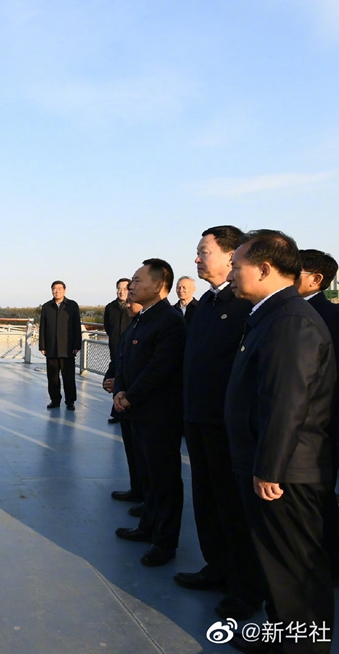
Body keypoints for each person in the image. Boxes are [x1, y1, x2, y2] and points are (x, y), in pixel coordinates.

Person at [225, 230, 335, 653]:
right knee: (277, 569)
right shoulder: (271, 315)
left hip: (287, 473)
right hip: (273, 465)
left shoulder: (290, 321)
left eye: (237, 267)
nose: (231, 275)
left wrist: (269, 467)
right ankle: (281, 639)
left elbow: (288, 401)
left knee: (296, 571)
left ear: (265, 269)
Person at [174, 226, 265, 623]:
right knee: (207, 500)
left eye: (204, 251)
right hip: (197, 419)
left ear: (231, 256)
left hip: (226, 426)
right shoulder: (207, 304)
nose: (197, 259)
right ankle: (216, 567)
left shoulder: (245, 305)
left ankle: (245, 588)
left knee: (233, 507)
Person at [113, 259, 187, 567]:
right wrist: (119, 389)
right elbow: (124, 357)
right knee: (149, 477)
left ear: (158, 286)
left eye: (137, 280)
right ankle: (147, 527)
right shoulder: (142, 318)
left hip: (158, 415)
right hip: (137, 412)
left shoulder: (170, 321)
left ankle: (164, 542)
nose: (131, 286)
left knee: (164, 480)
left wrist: (130, 397)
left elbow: (160, 369)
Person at [295, 249, 339, 584]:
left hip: (322, 426)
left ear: (316, 279)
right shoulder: (288, 314)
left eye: (295, 271)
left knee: (321, 500)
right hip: (299, 426)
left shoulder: (328, 317)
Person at [105, 299, 149, 507]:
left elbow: (154, 368)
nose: (128, 305)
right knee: (132, 450)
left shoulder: (162, 323)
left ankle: (149, 501)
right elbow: (120, 358)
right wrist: (111, 377)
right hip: (125, 399)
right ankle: (137, 489)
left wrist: (127, 392)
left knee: (146, 455)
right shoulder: (133, 326)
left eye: (132, 301)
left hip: (142, 403)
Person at [38, 281, 82, 410]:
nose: (56, 291)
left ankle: (70, 401)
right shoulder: (47, 307)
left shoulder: (72, 305)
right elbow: (43, 327)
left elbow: (77, 326)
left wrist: (76, 345)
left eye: (59, 289)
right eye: (54, 289)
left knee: (68, 377)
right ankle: (55, 400)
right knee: (52, 377)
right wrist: (42, 346)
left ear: (64, 290)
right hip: (51, 348)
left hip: (67, 348)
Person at [103, 278, 132, 424]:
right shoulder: (110, 307)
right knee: (116, 377)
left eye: (125, 289)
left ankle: (127, 409)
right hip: (115, 347)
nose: (122, 292)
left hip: (131, 348)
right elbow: (108, 327)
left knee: (128, 377)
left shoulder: (134, 306)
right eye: (119, 289)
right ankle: (117, 411)